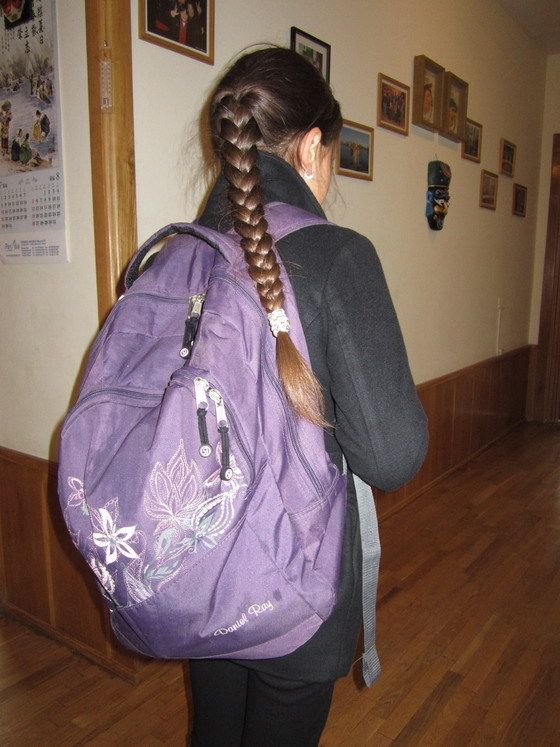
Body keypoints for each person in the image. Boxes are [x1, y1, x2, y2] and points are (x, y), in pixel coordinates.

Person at [189, 47, 428, 746]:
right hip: (298, 590)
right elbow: (392, 457)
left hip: (199, 568)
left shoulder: (179, 252)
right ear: (313, 146)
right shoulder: (337, 256)